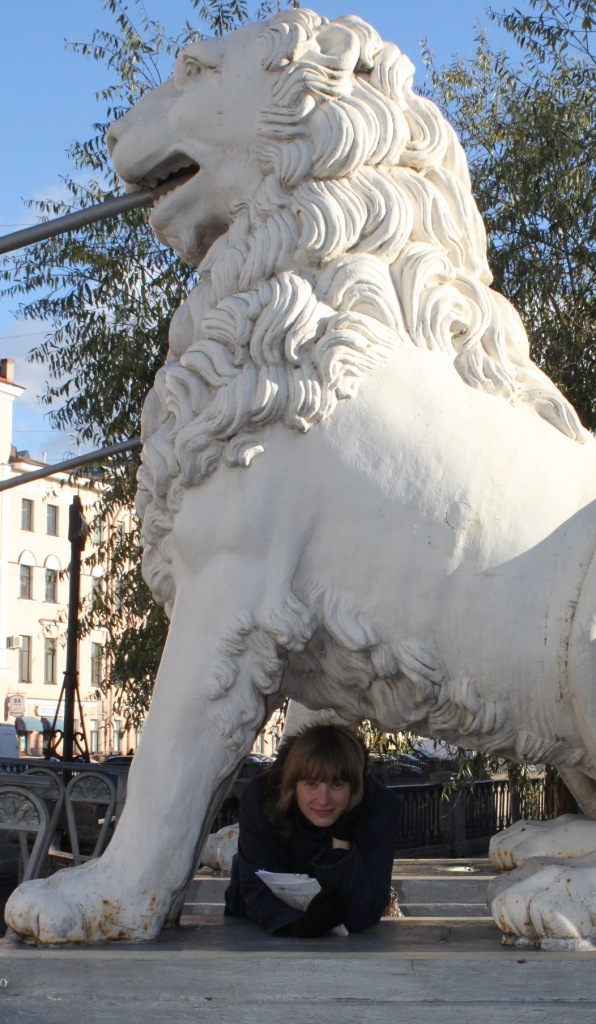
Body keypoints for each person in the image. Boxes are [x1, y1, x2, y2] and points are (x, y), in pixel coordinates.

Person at [224, 724, 403, 937]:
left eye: (336, 785)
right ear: (293, 785)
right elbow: (256, 890)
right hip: (261, 927)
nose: (323, 800)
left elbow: (365, 912)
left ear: (354, 787)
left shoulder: (380, 810)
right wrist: (297, 925)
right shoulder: (260, 799)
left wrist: (341, 843)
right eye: (311, 784)